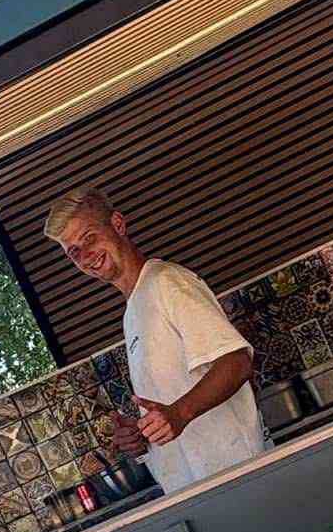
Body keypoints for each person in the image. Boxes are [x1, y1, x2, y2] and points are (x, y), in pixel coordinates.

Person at [46, 187, 268, 494]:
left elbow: (237, 362)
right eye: (73, 252)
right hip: (199, 488)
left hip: (237, 476)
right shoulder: (133, 310)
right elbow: (169, 408)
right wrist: (141, 435)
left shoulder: (166, 282)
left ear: (118, 224)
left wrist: (179, 413)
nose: (85, 256)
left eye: (90, 237)